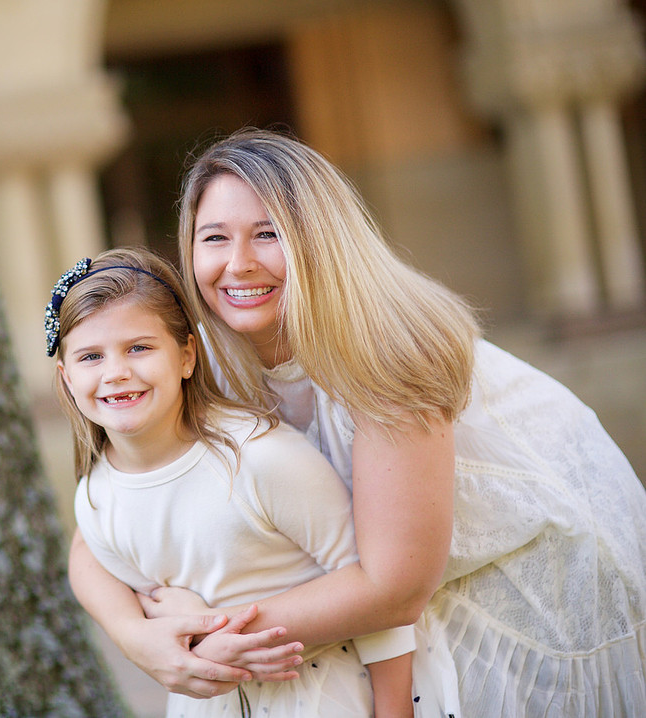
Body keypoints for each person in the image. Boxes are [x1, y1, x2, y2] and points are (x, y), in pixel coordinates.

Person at [68, 129, 646, 717]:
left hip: (526, 580)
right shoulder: (200, 352)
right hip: (377, 599)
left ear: (318, 240)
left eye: (268, 234)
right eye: (214, 238)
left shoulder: (389, 347)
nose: (238, 264)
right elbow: (99, 524)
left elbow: (393, 588)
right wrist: (139, 640)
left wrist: (205, 640)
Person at [48, 247, 455, 717]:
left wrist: (394, 710)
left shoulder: (261, 459)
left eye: (139, 348)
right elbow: (146, 605)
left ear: (186, 356)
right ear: (66, 378)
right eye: (91, 356)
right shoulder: (96, 497)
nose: (116, 372)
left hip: (320, 697)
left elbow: (373, 596)